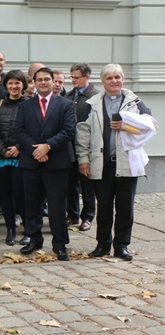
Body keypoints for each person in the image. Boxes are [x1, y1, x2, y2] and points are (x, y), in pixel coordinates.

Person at [76, 64, 157, 261]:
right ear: (103, 82)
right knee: (103, 207)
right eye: (110, 78)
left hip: (127, 163)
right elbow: (83, 133)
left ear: (123, 79)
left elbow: (151, 124)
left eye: (118, 77)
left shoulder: (134, 101)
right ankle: (103, 245)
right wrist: (83, 160)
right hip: (102, 163)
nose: (114, 81)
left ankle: (121, 245)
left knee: (125, 207)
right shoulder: (92, 103)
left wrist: (127, 125)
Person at [14, 67, 77, 260]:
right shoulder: (25, 105)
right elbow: (19, 130)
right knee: (31, 204)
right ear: (33, 82)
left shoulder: (65, 105)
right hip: (31, 162)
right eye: (39, 79)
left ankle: (60, 244)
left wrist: (47, 146)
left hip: (56, 163)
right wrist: (36, 150)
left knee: (57, 206)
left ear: (53, 81)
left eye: (46, 79)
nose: (43, 82)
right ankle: (33, 239)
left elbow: (68, 131)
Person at [0, 70, 28, 246]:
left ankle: (28, 229)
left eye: (17, 83)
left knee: (21, 194)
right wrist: (3, 150)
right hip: (1, 157)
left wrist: (18, 148)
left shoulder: (29, 104)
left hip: (21, 156)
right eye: (10, 83)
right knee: (5, 195)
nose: (14, 86)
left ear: (23, 85)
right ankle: (10, 229)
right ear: (6, 85)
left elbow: (32, 128)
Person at [65, 62, 98, 231]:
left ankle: (88, 217)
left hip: (87, 148)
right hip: (69, 147)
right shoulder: (69, 96)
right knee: (71, 184)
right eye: (71, 77)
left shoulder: (96, 97)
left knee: (87, 185)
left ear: (87, 77)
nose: (73, 80)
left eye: (76, 77)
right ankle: (72, 214)